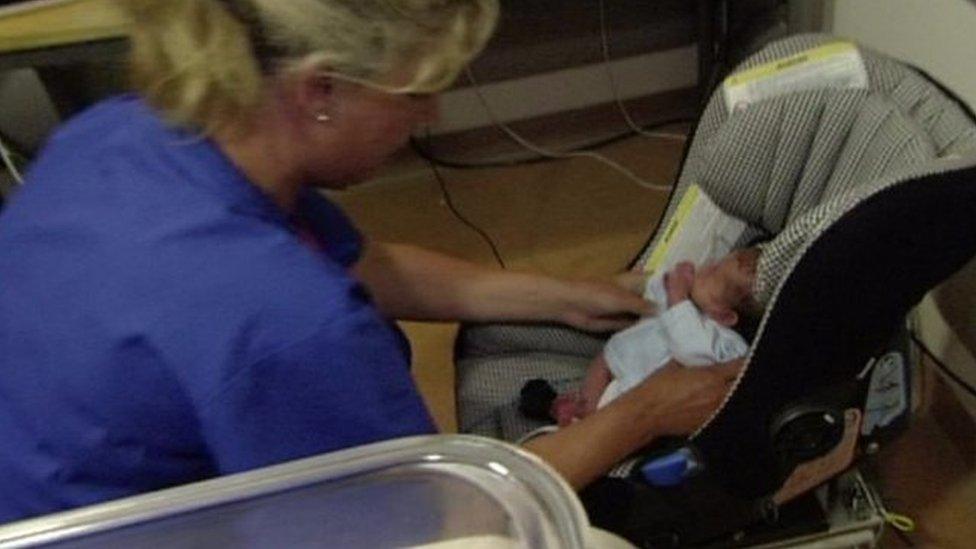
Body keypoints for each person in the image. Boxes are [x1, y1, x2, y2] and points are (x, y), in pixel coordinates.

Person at [0, 0, 740, 524]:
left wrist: (565, 296)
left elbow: (357, 259)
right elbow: (444, 517)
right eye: (417, 93)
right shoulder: (287, 322)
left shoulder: (128, 131)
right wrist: (647, 410)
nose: (430, 117)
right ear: (320, 88)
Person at [550, 248, 762, 426]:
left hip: (637, 391)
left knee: (613, 412)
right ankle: (583, 403)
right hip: (620, 355)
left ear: (725, 315)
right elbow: (652, 290)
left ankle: (583, 420)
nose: (706, 268)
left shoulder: (727, 343)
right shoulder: (680, 294)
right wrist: (667, 278)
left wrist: (677, 296)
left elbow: (691, 352)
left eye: (713, 274)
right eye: (715, 264)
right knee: (602, 363)